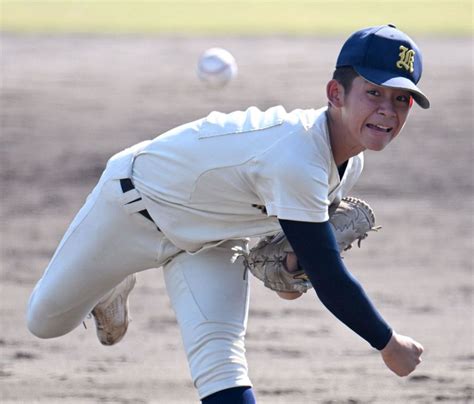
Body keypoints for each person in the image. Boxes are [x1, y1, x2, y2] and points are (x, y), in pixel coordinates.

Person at [27, 24, 429, 403]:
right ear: (335, 93)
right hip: (132, 209)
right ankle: (110, 283)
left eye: (401, 99)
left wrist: (292, 267)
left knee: (220, 361)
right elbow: (328, 277)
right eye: (373, 93)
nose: (388, 110)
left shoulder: (349, 165)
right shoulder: (296, 155)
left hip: (213, 240)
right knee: (44, 322)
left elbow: (292, 285)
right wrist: (388, 343)